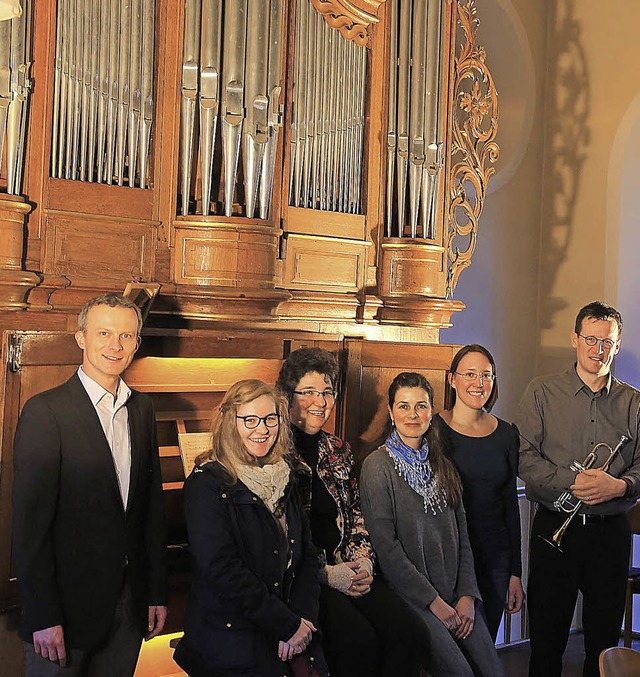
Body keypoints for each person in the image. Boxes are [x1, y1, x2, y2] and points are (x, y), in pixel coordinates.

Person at [12, 293, 167, 677]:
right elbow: (30, 527)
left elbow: (151, 511)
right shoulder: (45, 411)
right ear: (81, 337)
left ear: (136, 343)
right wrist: (43, 614)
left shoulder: (143, 410)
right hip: (63, 615)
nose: (115, 345)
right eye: (104, 333)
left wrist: (156, 593)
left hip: (128, 609)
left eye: (126, 336)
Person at [276, 348, 424, 677]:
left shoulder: (338, 450)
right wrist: (327, 574)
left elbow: (358, 513)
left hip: (350, 566)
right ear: (288, 396)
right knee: (358, 641)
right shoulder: (274, 452)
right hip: (306, 578)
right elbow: (275, 537)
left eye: (327, 392)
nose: (320, 401)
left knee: (407, 633)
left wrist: (364, 560)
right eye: (309, 392)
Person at [517, 301, 640, 677]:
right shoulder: (541, 392)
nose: (598, 348)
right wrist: (574, 481)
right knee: (546, 639)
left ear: (617, 346)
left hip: (610, 534)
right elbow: (524, 457)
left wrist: (619, 485)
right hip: (554, 529)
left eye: (607, 341)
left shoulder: (635, 402)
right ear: (575, 339)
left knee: (603, 644)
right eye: (591, 338)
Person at [173, 379, 328, 677]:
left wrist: (303, 620)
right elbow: (222, 570)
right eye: (250, 420)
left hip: (285, 623)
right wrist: (286, 624)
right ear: (231, 422)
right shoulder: (207, 484)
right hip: (233, 633)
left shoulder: (285, 475)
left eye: (270, 419)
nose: (263, 429)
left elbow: (307, 556)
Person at [360, 371, 504, 677]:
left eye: (421, 406)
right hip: (415, 599)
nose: (413, 415)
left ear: (431, 411)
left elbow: (464, 538)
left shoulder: (443, 464)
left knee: (493, 672)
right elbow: (387, 549)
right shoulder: (377, 466)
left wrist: (467, 595)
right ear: (390, 411)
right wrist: (434, 602)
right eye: (403, 406)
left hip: (457, 593)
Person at [432, 344, 524, 641]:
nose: (479, 383)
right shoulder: (434, 429)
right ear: (452, 379)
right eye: (469, 374)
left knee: (485, 651)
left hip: (495, 561)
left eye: (486, 375)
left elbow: (510, 504)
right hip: (450, 560)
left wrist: (515, 573)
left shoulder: (507, 434)